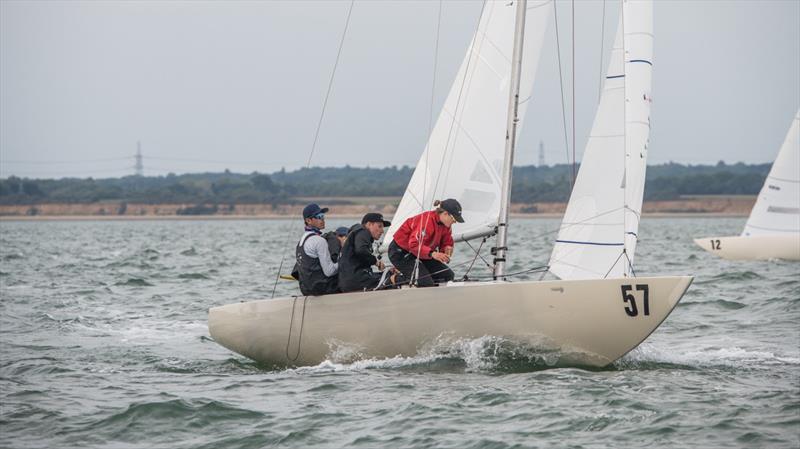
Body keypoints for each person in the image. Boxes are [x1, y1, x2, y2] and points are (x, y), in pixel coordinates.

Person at [388, 198, 463, 287]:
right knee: (424, 282)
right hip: (400, 252)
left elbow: (447, 241)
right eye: (454, 219)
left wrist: (447, 249)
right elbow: (414, 245)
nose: (454, 222)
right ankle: (392, 279)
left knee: (448, 275)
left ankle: (432, 290)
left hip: (422, 253)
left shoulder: (446, 225)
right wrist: (433, 254)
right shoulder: (426, 221)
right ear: (445, 214)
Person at [338, 212, 398, 292]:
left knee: (389, 273)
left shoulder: (356, 234)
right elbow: (361, 250)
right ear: (369, 224)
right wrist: (376, 262)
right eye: (379, 226)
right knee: (397, 279)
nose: (382, 231)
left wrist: (387, 270)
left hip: (351, 281)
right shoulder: (363, 231)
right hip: (356, 282)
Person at [295, 203, 339, 296]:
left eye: (323, 216)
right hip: (321, 289)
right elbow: (329, 271)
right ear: (308, 220)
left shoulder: (301, 241)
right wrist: (344, 262)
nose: (322, 220)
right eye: (319, 217)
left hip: (306, 290)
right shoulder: (319, 241)